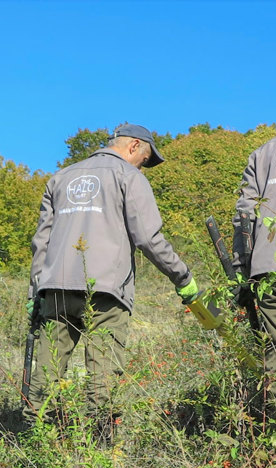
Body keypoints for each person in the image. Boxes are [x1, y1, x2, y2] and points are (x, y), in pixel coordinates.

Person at [25, 123, 198, 440]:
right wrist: (182, 276)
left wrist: (36, 289)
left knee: (46, 372)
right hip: (105, 292)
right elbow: (148, 238)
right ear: (134, 147)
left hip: (55, 290)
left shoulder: (60, 178)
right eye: (145, 159)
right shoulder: (130, 177)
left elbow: (41, 243)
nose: (142, 166)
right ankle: (100, 446)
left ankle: (36, 444)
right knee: (103, 374)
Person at [233, 131, 276, 406]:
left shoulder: (264, 152)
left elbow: (244, 216)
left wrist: (240, 271)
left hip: (268, 269)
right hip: (267, 269)